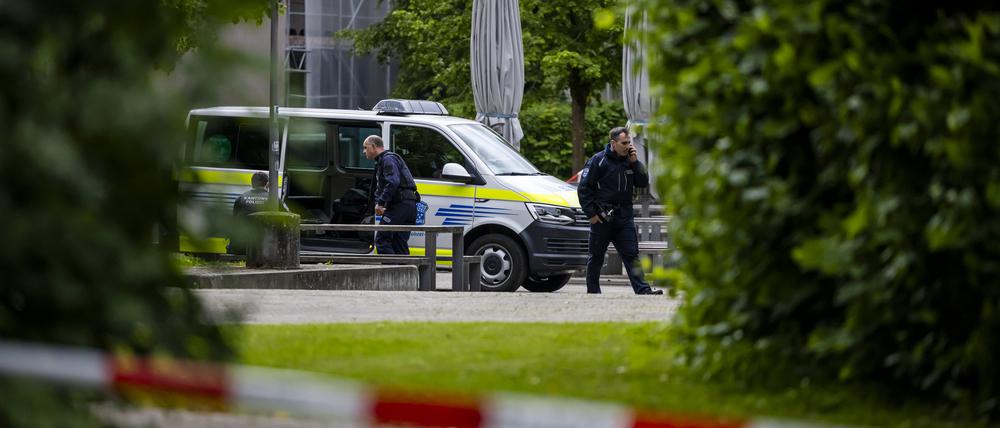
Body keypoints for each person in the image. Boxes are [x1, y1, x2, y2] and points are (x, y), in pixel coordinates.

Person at [577, 127, 663, 295]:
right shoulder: (598, 161)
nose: (628, 146)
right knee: (596, 257)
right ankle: (593, 292)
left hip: (624, 217)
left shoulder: (629, 160)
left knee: (631, 255)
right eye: (624, 143)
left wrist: (636, 162)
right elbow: (584, 189)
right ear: (613, 143)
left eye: (629, 142)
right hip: (602, 217)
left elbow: (642, 183)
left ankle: (643, 290)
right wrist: (592, 215)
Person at [363, 135, 419, 254]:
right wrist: (378, 202)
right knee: (399, 243)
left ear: (373, 147)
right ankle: (405, 272)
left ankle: (390, 271)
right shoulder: (384, 161)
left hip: (400, 206)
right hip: (408, 205)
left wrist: (381, 203)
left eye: (365, 147)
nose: (364, 151)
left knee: (382, 239)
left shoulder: (388, 159)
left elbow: (393, 182)